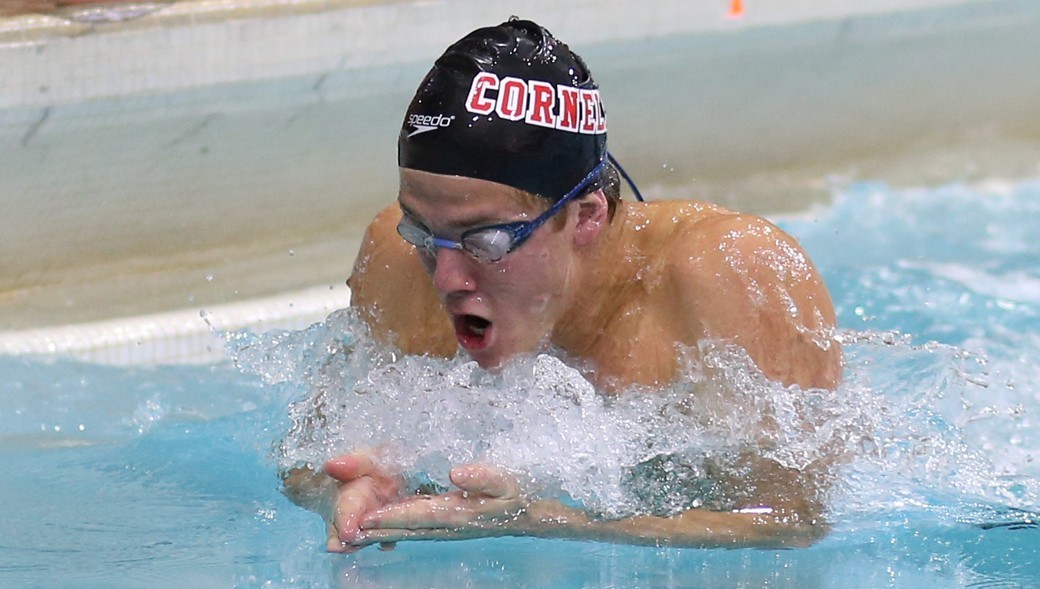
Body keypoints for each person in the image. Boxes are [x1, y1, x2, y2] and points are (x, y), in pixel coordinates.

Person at [284, 18, 842, 553]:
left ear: (585, 217)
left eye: (486, 239)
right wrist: (353, 491)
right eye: (423, 231)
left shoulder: (726, 274)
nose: (446, 278)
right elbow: (304, 459)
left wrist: (543, 521)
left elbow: (792, 519)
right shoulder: (396, 258)